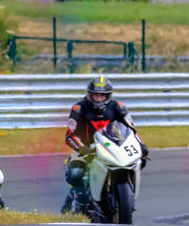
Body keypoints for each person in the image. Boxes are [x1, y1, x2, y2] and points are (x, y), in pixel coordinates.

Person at [63, 76, 148, 213]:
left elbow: (131, 129)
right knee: (76, 172)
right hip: (87, 148)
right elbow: (70, 135)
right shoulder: (79, 108)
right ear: (89, 94)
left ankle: (127, 192)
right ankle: (78, 199)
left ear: (108, 95)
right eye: (95, 95)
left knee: (140, 160)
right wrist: (82, 148)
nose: (98, 99)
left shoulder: (118, 107)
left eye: (102, 96)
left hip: (113, 147)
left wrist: (141, 145)